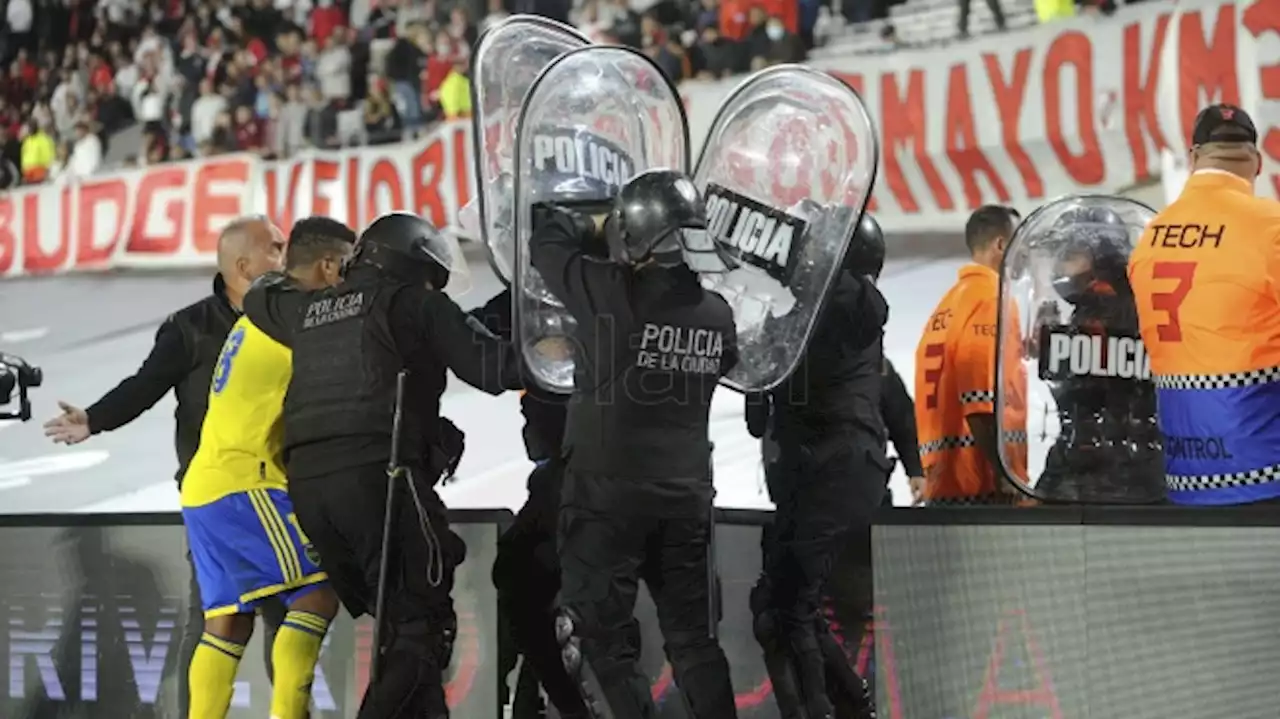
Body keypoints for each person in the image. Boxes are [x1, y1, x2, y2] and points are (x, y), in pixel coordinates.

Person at [244, 211, 522, 718]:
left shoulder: (305, 309)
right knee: (423, 627)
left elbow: (259, 292)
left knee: (398, 626)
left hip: (309, 491)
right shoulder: (415, 303)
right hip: (381, 478)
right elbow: (495, 369)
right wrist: (561, 348)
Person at [42, 216, 287, 716]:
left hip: (284, 496)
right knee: (214, 626)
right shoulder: (189, 328)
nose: (285, 257)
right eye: (276, 248)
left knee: (288, 629)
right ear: (244, 266)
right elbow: (146, 384)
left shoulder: (292, 318)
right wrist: (96, 419)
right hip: (219, 506)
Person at [532, 169, 740, 719]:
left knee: (602, 640)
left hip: (607, 494)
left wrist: (594, 226)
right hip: (687, 495)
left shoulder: (612, 292)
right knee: (695, 640)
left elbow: (544, 240)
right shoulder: (717, 315)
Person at [181, 217, 355, 718]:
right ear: (326, 265)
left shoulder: (260, 313)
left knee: (228, 624)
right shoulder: (296, 317)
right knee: (319, 590)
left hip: (205, 486)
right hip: (245, 480)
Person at [747, 211, 887, 719]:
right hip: (820, 473)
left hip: (834, 469)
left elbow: (756, 408)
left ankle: (831, 708)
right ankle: (849, 703)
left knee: (789, 610)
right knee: (778, 609)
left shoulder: (847, 307)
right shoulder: (809, 318)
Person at [1129, 104, 1280, 506]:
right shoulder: (1270, 226)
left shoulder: (1149, 236)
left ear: (1194, 158)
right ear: (1258, 163)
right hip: (1267, 472)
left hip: (1185, 478)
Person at [471, 287, 587, 719]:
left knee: (523, 579)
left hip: (584, 467)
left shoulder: (588, 292)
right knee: (522, 579)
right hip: (565, 467)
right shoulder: (529, 295)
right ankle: (539, 696)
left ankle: (559, 701)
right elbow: (475, 331)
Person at [1036, 208, 1164, 503]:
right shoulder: (1130, 303)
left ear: (1100, 256)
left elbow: (1084, 403)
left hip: (1104, 474)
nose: (1058, 267)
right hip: (1134, 465)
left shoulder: (1101, 310)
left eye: (1068, 255)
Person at [913, 205, 1027, 505]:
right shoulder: (992, 299)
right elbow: (979, 400)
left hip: (945, 484)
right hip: (980, 484)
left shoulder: (948, 305)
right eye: (1019, 244)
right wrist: (1004, 474)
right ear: (1001, 245)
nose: (1023, 257)